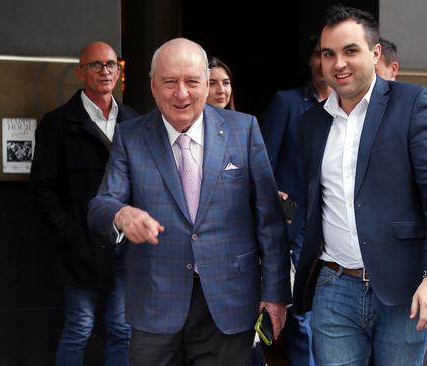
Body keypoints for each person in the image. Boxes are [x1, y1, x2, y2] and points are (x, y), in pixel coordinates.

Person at [87, 37, 291, 366]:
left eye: (192, 82)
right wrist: (121, 214)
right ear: (153, 86)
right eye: (169, 82)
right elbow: (101, 204)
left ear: (206, 84)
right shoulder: (131, 137)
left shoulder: (244, 130)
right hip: (156, 300)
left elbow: (268, 218)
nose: (181, 93)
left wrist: (276, 292)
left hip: (229, 301)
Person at [291, 6, 427, 366]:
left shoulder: (413, 104)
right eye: (328, 54)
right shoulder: (311, 124)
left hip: (404, 290)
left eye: (350, 50)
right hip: (334, 288)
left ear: (375, 53)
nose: (339, 63)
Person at [29, 41, 139, 366]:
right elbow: (42, 188)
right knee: (80, 327)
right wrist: (69, 233)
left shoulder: (134, 122)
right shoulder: (57, 123)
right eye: (96, 65)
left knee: (123, 329)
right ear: (80, 72)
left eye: (110, 64)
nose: (105, 71)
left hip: (124, 246)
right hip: (80, 246)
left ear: (119, 72)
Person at [258, 34, 332, 366]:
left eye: (328, 55)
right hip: (297, 230)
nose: (322, 62)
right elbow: (262, 166)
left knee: (330, 317)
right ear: (310, 60)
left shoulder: (353, 109)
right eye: (318, 54)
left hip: (339, 230)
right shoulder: (286, 103)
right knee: (301, 317)